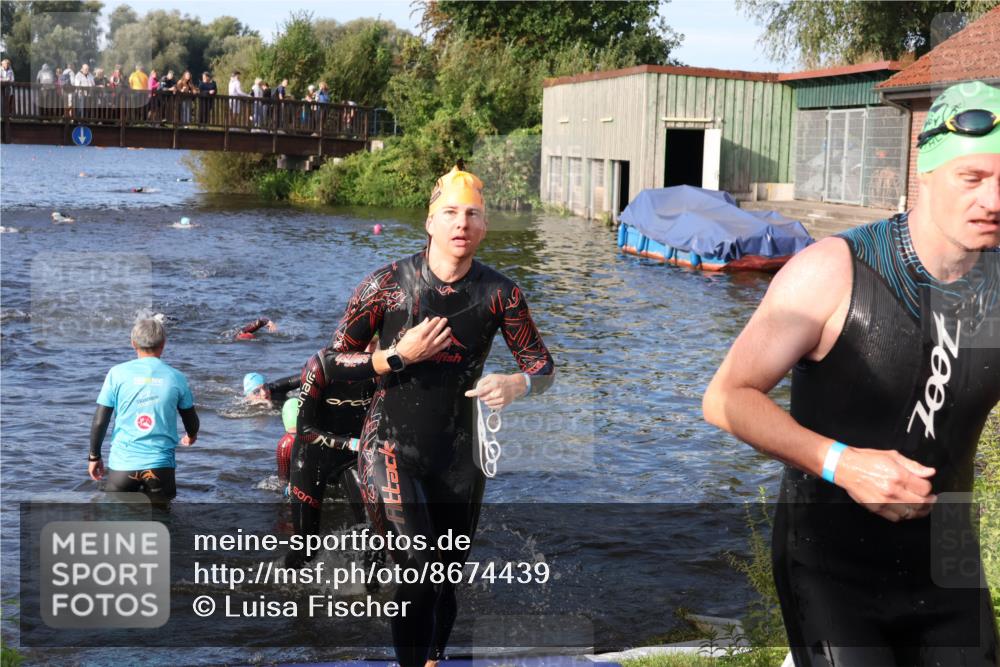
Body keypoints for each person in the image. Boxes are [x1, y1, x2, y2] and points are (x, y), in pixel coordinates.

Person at [703, 81, 1000, 666]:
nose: (993, 199)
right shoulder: (833, 271)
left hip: (948, 556)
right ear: (926, 171)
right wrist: (843, 463)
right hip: (832, 562)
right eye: (973, 178)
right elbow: (726, 397)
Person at [323, 162, 556, 665]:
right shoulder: (386, 286)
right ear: (429, 221)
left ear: (485, 226)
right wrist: (395, 356)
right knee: (417, 563)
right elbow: (330, 365)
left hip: (459, 455)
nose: (461, 224)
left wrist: (518, 383)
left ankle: (432, 659)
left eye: (472, 214)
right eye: (450, 212)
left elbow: (542, 366)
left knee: (446, 571)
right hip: (389, 445)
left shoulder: (501, 294)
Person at [284, 339, 379, 569]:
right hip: (311, 456)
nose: (375, 353)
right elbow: (304, 431)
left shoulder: (383, 368)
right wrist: (352, 444)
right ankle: (283, 586)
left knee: (375, 535)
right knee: (306, 549)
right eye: (372, 346)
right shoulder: (322, 365)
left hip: (350, 458)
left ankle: (370, 592)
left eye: (379, 345)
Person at [89, 319, 199, 502]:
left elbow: (101, 421)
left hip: (122, 469)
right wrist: (191, 435)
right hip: (160, 469)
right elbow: (191, 419)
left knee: (118, 524)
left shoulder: (116, 373)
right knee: (162, 525)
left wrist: (94, 456)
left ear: (133, 343)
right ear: (163, 344)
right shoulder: (177, 377)